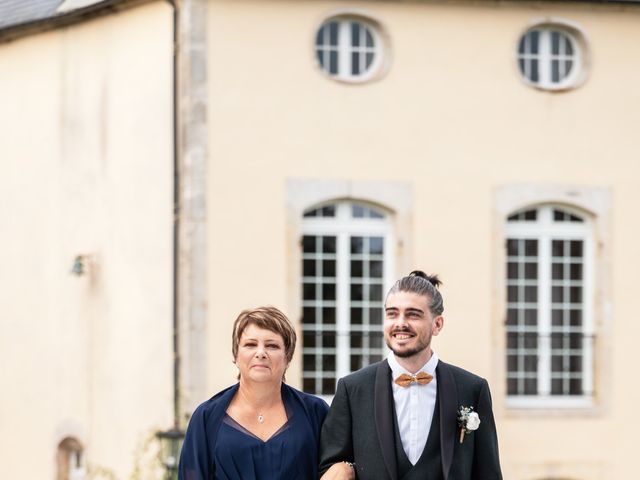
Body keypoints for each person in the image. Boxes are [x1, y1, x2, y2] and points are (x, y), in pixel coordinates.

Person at [319, 271, 502, 480]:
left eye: (413, 314)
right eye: (392, 313)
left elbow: (489, 473)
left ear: (437, 324)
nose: (400, 323)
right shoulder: (353, 389)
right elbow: (329, 469)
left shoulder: (472, 388)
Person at [179, 306, 329, 480]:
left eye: (272, 346)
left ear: (288, 358)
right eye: (250, 345)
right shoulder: (206, 417)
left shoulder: (315, 412)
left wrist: (346, 467)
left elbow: (339, 466)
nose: (261, 353)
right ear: (236, 355)